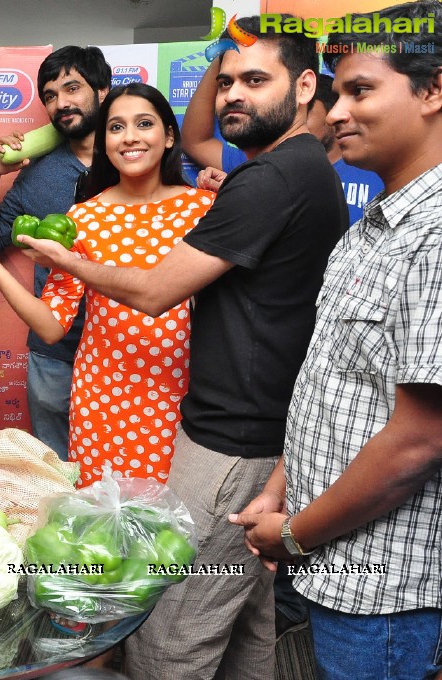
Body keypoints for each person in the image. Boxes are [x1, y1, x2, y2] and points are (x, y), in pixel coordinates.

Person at [0, 18, 346, 678]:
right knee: (173, 585)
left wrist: (67, 260)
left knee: (181, 609)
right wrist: (7, 265)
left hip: (203, 425)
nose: (129, 137)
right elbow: (51, 323)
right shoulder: (93, 212)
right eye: (228, 81)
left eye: (254, 79)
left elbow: (158, 291)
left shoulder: (228, 195)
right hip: (136, 410)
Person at [230, 3, 442, 678]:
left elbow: (418, 440)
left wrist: (293, 533)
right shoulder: (367, 230)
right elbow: (340, 381)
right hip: (335, 568)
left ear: (432, 90)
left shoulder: (434, 236)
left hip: (387, 597)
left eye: (360, 91)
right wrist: (281, 484)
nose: (334, 113)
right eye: (334, 93)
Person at [0, 83, 214, 486]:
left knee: (172, 536)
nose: (129, 137)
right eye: (116, 127)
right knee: (101, 534)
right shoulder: (83, 217)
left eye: (144, 124)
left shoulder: (204, 208)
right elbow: (50, 325)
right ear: (104, 141)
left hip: (182, 398)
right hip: (100, 398)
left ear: (168, 136)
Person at [0, 45, 111, 460]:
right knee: (54, 473)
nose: (60, 103)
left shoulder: (138, 161)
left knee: (121, 479)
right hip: (56, 354)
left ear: (103, 90)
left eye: (72, 88)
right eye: (50, 96)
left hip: (122, 352)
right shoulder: (39, 175)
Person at [185, 60, 383, 225]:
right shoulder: (259, 163)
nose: (295, 119)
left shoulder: (376, 171)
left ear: (333, 113)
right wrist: (223, 60)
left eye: (305, 111)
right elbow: (196, 141)